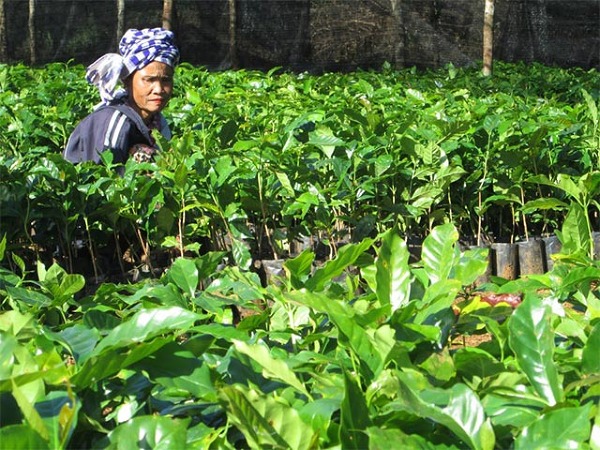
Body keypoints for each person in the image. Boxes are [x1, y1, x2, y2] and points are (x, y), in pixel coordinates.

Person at [63, 27, 179, 170]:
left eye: (166, 80)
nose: (159, 90)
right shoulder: (115, 120)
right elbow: (105, 177)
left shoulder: (158, 121)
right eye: (149, 80)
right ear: (127, 81)